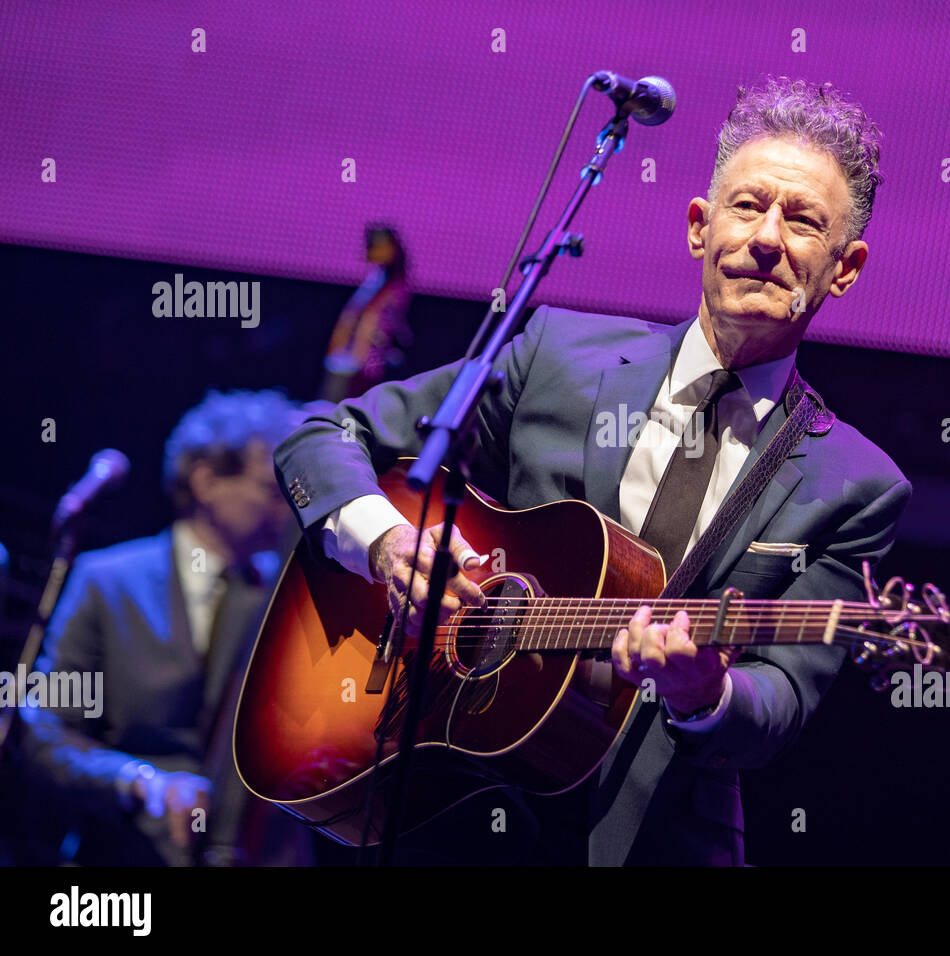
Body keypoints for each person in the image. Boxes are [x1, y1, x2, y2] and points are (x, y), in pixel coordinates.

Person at [273, 75, 912, 865]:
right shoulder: (557, 356)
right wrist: (383, 544)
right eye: (748, 206)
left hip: (651, 841)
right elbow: (324, 434)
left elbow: (779, 702)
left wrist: (705, 692)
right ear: (698, 227)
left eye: (803, 220)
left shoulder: (852, 484)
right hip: (448, 811)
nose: (768, 238)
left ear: (845, 268)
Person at [19, 390, 314, 866]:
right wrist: (139, 780)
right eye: (271, 488)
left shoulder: (285, 597)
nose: (288, 510)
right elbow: (46, 734)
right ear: (206, 480)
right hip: (129, 856)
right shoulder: (107, 581)